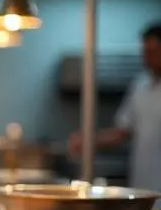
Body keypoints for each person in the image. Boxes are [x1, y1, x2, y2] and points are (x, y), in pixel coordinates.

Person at [68, 22, 161, 192]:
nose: (148, 57)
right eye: (145, 51)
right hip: (144, 186)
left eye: (153, 51)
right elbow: (122, 132)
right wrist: (89, 141)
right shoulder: (140, 87)